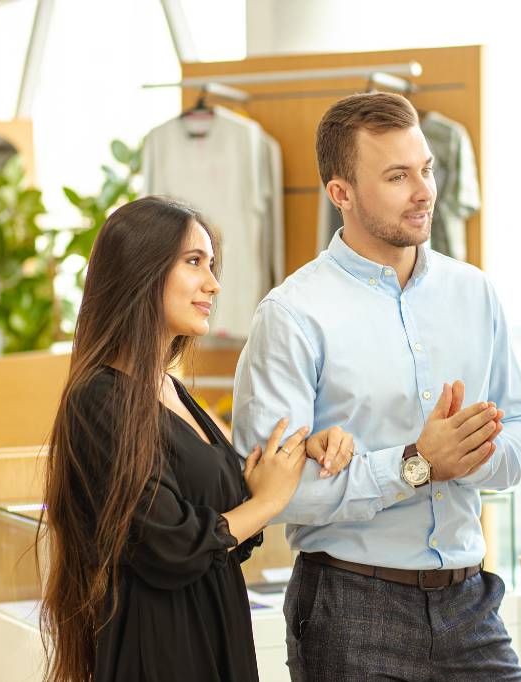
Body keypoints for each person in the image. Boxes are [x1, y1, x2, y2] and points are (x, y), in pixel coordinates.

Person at [233, 92, 521, 681]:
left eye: (425, 169)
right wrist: (418, 464)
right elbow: (276, 494)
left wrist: (466, 457)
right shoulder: (293, 315)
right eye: (398, 176)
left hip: (469, 603)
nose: (424, 191)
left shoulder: (474, 294)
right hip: (349, 609)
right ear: (340, 194)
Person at [41, 196, 310, 682]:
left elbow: (227, 513)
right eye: (194, 263)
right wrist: (268, 503)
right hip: (160, 650)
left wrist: (314, 445)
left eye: (211, 264)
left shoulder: (170, 388)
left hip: (215, 631)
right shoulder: (97, 397)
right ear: (140, 270)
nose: (214, 283)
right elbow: (168, 542)